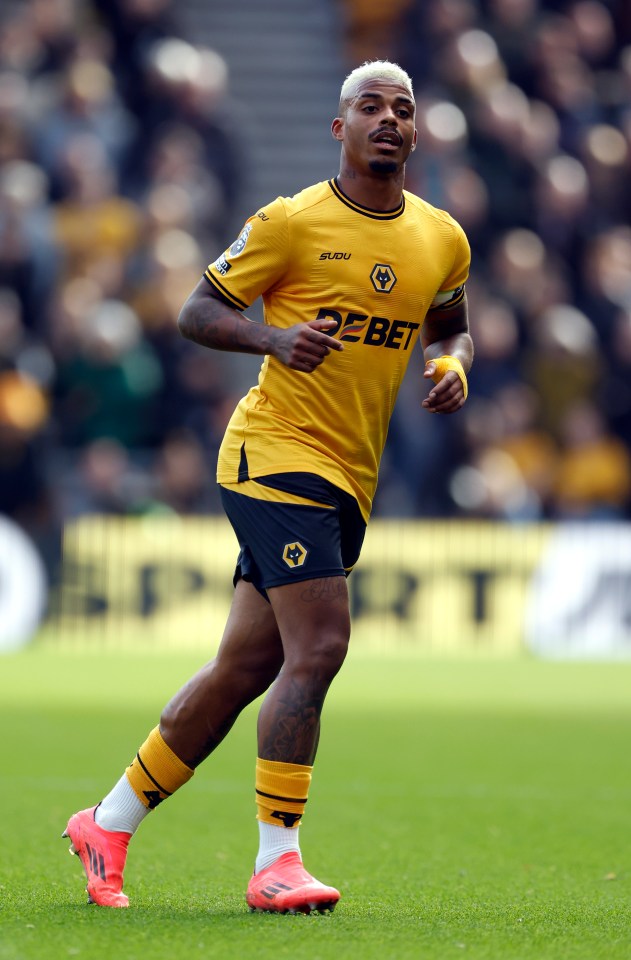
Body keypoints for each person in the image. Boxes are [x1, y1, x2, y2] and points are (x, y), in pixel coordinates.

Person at [62, 59, 474, 914]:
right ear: (341, 129)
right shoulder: (290, 222)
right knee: (318, 648)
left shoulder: (441, 237)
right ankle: (276, 861)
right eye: (370, 107)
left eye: (403, 108)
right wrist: (273, 341)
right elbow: (195, 311)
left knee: (244, 667)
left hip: (348, 475)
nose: (389, 119)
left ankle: (106, 821)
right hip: (273, 454)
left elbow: (451, 325)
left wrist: (448, 364)